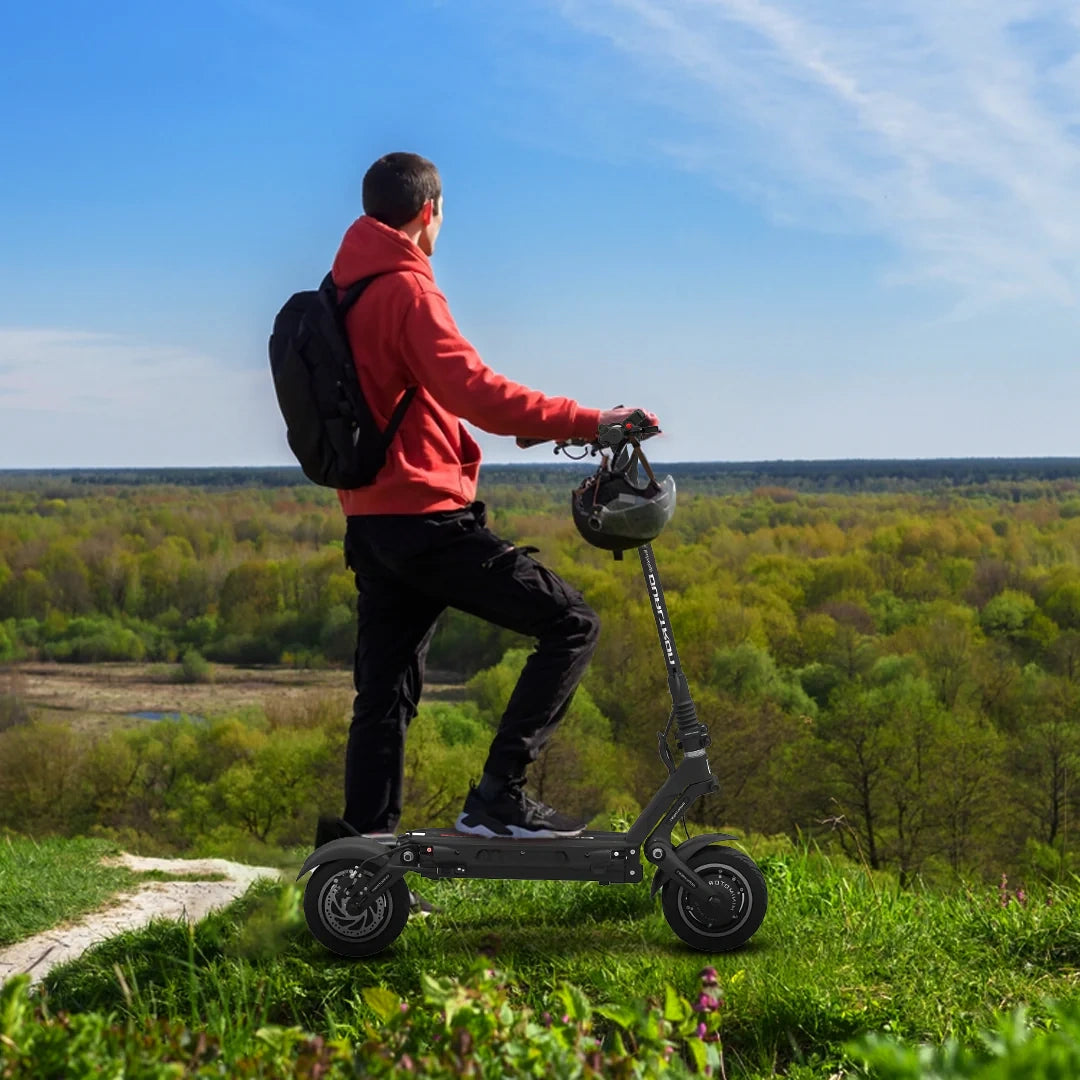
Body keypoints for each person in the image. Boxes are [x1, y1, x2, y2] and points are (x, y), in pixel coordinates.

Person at [314, 152, 658, 909]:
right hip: (427, 521)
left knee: (384, 696)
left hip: (370, 523)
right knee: (571, 623)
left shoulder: (342, 289)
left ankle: (359, 875)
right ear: (428, 211)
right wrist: (591, 421)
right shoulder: (405, 288)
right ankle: (500, 797)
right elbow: (477, 392)